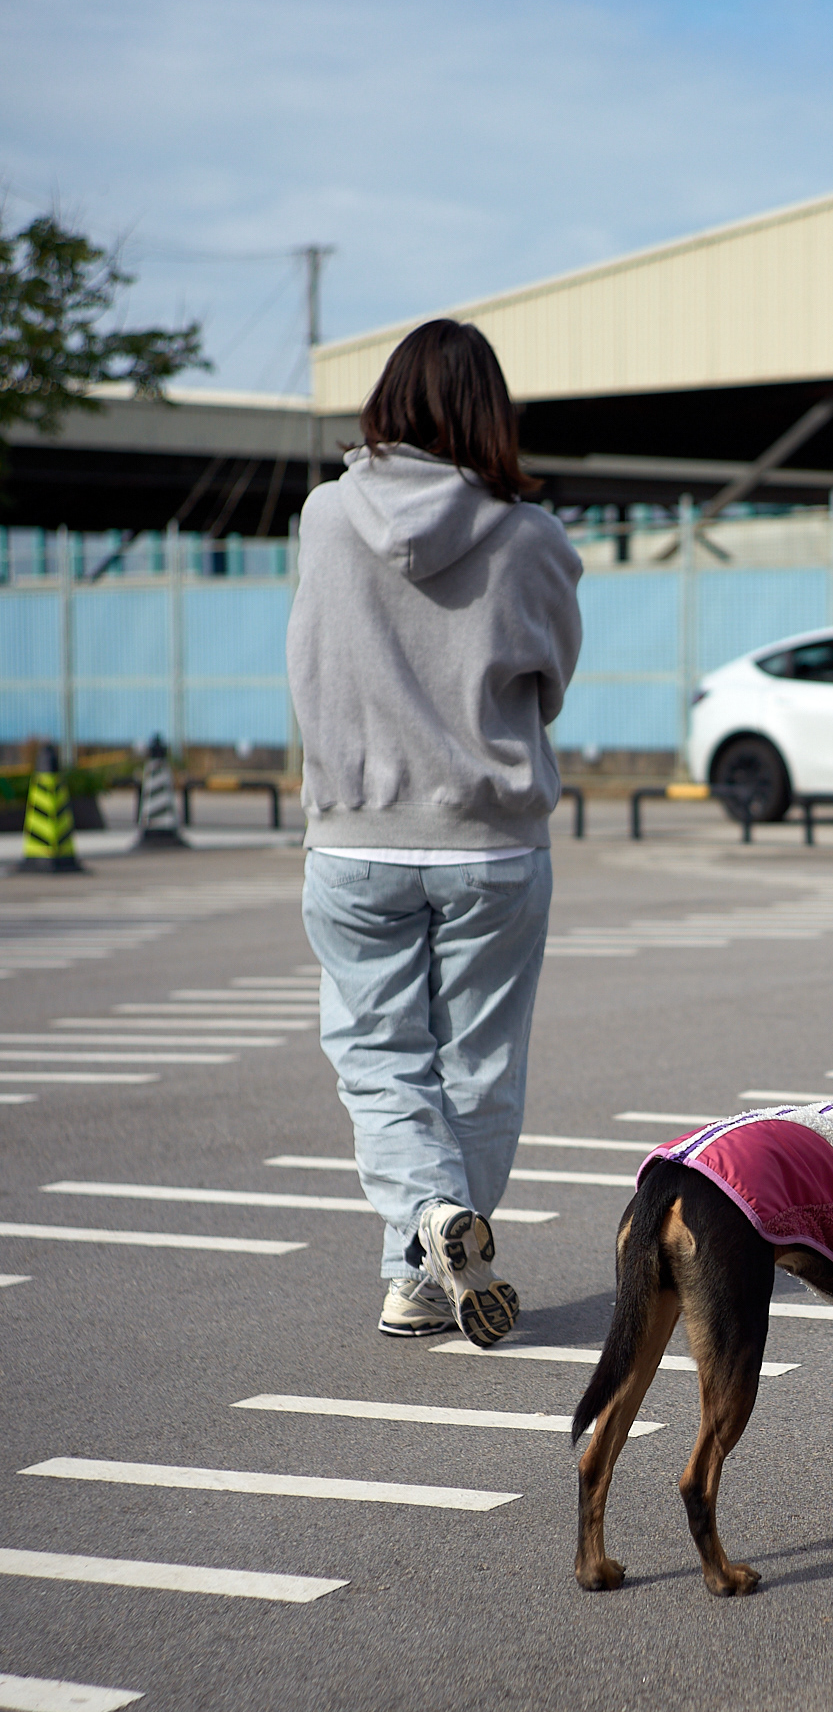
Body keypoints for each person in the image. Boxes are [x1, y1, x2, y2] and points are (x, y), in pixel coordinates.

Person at [287, 319, 583, 1345]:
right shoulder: (531, 535)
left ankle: (419, 1259)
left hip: (355, 833)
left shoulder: (326, 519)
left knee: (380, 1059)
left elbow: (311, 664)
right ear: (491, 412)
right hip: (493, 841)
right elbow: (550, 675)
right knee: (480, 1069)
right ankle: (430, 1257)